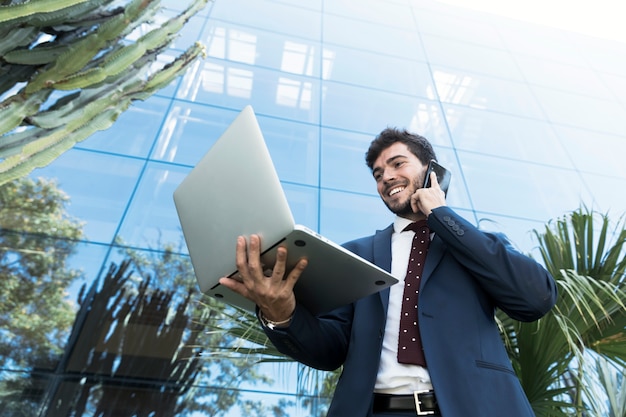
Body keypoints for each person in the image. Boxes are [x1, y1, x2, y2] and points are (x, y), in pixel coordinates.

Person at [219, 128, 558, 417]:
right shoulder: (357, 254)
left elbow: (535, 299)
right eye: (378, 174)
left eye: (397, 164)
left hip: (472, 406)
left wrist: (441, 214)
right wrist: (282, 315)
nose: (387, 177)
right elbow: (329, 350)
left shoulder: (474, 245)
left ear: (431, 172)